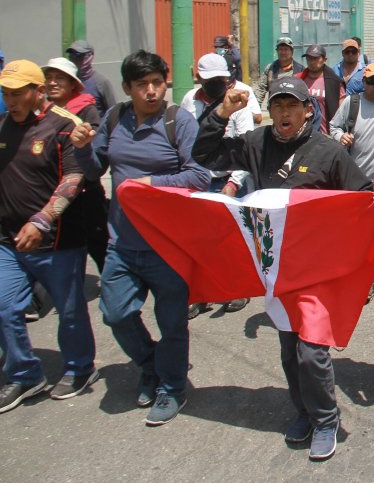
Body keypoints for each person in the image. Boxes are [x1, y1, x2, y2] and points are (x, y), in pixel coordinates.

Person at [192, 77, 374, 461]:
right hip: (277, 271)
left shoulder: (328, 153)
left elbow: (363, 200)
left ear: (309, 110)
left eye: (292, 105)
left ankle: (327, 421)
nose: (284, 113)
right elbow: (205, 155)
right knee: (289, 351)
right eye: (277, 105)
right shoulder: (256, 144)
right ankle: (304, 413)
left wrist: (363, 260)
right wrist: (223, 111)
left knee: (312, 352)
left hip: (319, 272)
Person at [70, 50, 210, 426]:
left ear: (165, 82)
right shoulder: (114, 118)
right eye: (141, 85)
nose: (151, 91)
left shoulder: (177, 122)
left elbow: (199, 176)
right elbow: (95, 168)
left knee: (172, 324)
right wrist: (82, 150)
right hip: (123, 242)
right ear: (127, 88)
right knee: (116, 313)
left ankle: (172, 387)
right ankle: (151, 365)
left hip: (169, 245)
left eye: (157, 83)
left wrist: (154, 183)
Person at [0, 60, 97, 413]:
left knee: (69, 311)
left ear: (37, 91)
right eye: (6, 94)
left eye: (17, 94)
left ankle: (79, 367)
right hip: (8, 241)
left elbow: (74, 180)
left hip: (57, 240)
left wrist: (41, 220)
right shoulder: (3, 126)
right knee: (4, 306)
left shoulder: (63, 127)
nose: (11, 101)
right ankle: (25, 374)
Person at [180, 53, 255, 317]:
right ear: (198, 77)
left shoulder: (239, 97)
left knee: (234, 238)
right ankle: (201, 292)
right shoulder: (190, 100)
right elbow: (186, 140)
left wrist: (234, 182)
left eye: (219, 79)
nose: (214, 84)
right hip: (199, 179)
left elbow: (247, 144)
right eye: (208, 80)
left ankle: (236, 288)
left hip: (230, 179)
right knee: (199, 240)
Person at [41, 58, 109, 274]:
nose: (52, 83)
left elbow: (96, 147)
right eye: (49, 78)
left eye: (59, 78)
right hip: (52, 191)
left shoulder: (86, 111)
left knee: (98, 243)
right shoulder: (42, 112)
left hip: (85, 192)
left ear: (73, 84)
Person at [297, 45, 342, 135]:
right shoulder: (298, 80)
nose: (312, 61)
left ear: (324, 60)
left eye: (316, 58)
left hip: (325, 134)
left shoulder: (334, 81)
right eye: (309, 58)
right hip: (302, 133)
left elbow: (341, 111)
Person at [66, 40, 117, 117]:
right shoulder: (67, 82)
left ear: (90, 56)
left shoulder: (101, 82)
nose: (74, 59)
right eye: (71, 55)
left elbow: (113, 113)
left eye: (78, 55)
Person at [259, 36, 304, 104]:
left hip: (294, 109)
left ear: (292, 51)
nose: (283, 52)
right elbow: (260, 89)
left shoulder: (300, 70)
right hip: (275, 108)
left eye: (286, 49)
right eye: (280, 49)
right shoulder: (270, 68)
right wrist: (255, 108)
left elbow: (305, 92)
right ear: (277, 51)